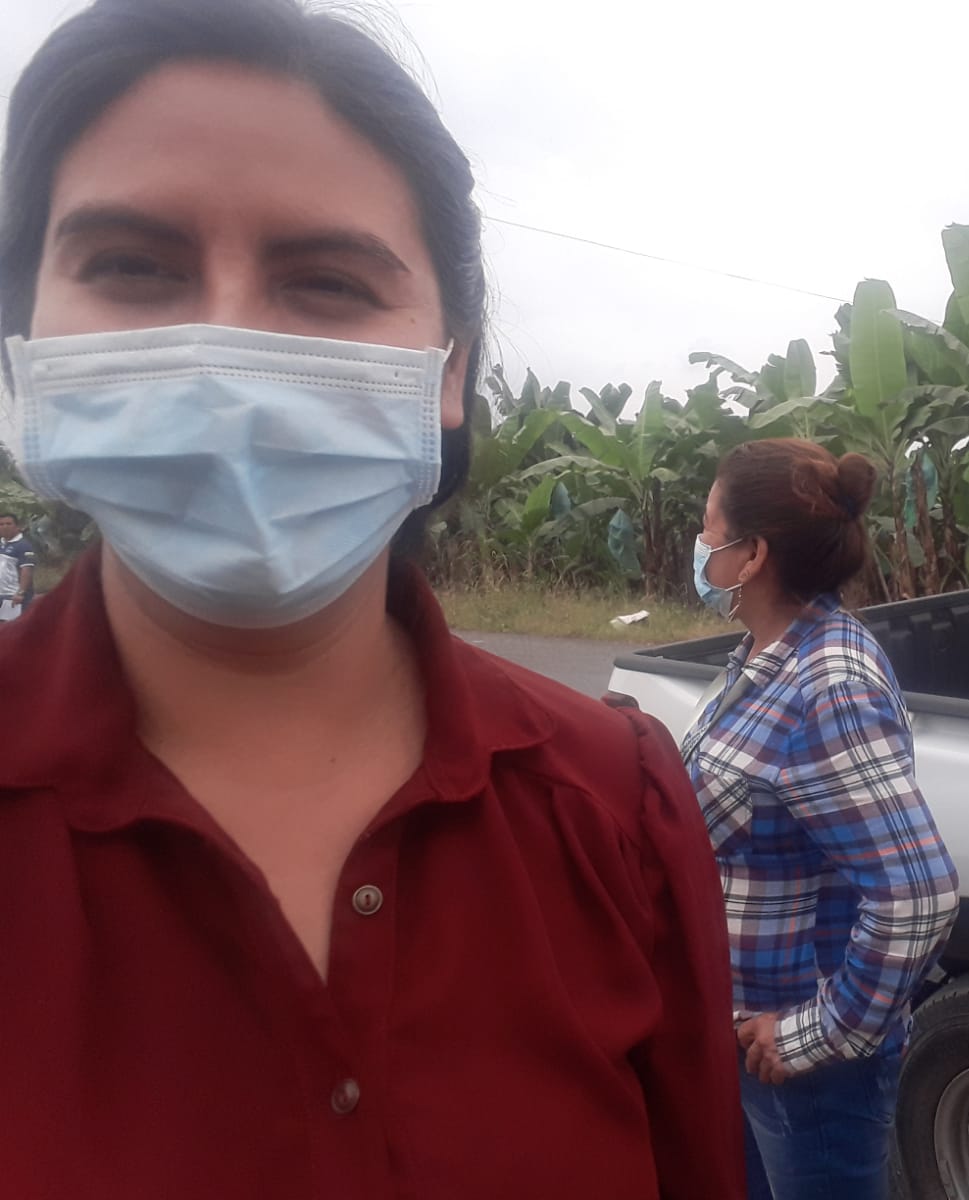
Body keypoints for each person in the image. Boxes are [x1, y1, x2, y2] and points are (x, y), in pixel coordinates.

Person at [0, 2, 742, 1196]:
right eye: (133, 266)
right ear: (25, 337)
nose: (224, 351)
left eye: (328, 282)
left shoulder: (614, 803)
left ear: (448, 374)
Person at [681, 439, 960, 1200]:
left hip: (804, 1068)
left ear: (752, 555)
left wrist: (816, 1036)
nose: (699, 546)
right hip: (747, 1031)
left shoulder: (828, 684)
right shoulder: (766, 651)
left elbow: (918, 894)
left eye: (709, 530)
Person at [0, 513, 35, 621]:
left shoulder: (23, 545)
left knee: (13, 625)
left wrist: (20, 593)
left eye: (8, 524)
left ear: (17, 526)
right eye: (1, 524)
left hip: (13, 596)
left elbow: (27, 570)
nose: (5, 527)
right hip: (1, 593)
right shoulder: (2, 544)